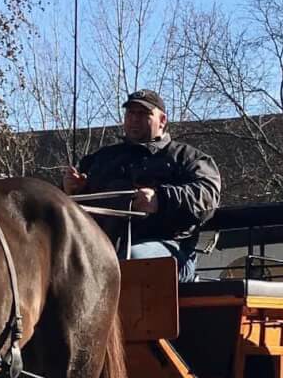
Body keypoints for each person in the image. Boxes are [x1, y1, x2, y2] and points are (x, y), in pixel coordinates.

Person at [64, 89, 221, 281]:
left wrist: (159, 200)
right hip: (101, 246)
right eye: (130, 113)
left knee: (130, 261)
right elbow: (69, 206)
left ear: (162, 120)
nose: (134, 119)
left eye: (143, 114)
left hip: (171, 249)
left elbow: (207, 197)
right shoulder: (101, 159)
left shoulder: (187, 157)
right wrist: (72, 190)